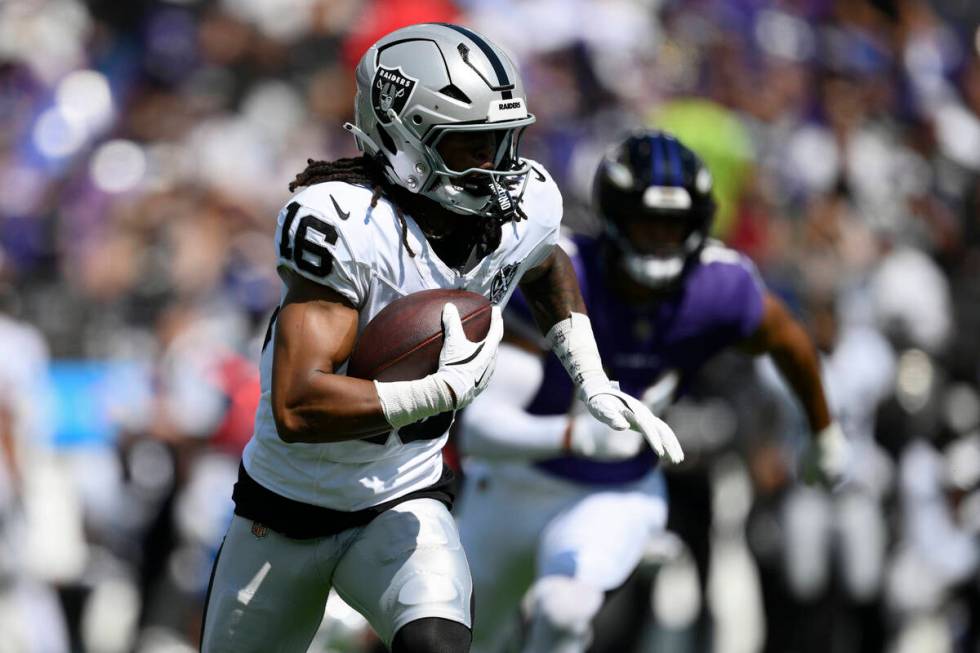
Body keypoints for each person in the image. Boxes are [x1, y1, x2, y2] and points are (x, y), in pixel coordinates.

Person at [199, 24, 681, 653]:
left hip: (402, 501)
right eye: (469, 146)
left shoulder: (523, 205)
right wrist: (438, 392)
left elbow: (543, 260)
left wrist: (589, 376)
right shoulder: (346, 224)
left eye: (503, 143)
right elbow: (297, 407)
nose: (497, 168)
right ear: (402, 140)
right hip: (283, 514)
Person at [455, 130, 849, 653]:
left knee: (564, 609)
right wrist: (574, 435)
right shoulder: (554, 272)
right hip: (513, 485)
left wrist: (824, 431)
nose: (661, 239)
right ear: (614, 216)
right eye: (647, 223)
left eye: (674, 226)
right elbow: (478, 433)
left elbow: (790, 341)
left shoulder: (718, 288)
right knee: (453, 637)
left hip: (617, 490)